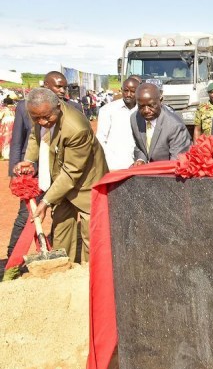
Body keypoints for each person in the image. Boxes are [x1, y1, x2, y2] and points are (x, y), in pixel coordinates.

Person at [13, 88, 109, 263]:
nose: (42, 122)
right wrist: (29, 160)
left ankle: (88, 275)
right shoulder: (40, 111)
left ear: (58, 106)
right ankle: (63, 269)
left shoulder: (76, 128)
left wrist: (46, 201)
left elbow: (72, 171)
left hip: (86, 182)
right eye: (36, 118)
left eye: (47, 117)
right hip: (60, 177)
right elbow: (36, 137)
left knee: (91, 235)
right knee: (61, 226)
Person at [131, 83, 191, 165]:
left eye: (151, 105)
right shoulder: (135, 118)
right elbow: (139, 146)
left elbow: (177, 163)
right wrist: (141, 160)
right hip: (145, 174)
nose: (146, 110)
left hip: (167, 175)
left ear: (161, 100)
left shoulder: (175, 126)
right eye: (141, 106)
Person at [96, 77, 140, 170]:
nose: (128, 94)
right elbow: (101, 138)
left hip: (137, 165)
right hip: (114, 165)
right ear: (121, 90)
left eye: (132, 91)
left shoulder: (143, 111)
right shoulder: (108, 110)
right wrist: (107, 161)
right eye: (126, 91)